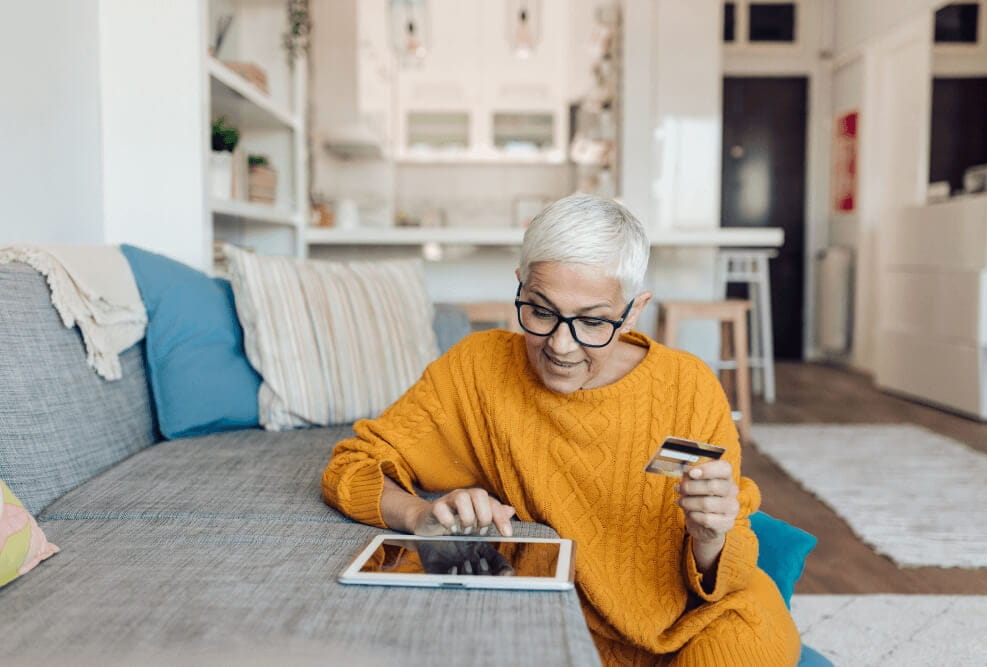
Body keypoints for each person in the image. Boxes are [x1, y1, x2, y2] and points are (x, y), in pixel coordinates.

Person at [322, 193, 800, 665]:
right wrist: (418, 517)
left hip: (703, 621)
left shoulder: (689, 385)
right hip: (559, 623)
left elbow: (731, 570)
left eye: (593, 321)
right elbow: (349, 468)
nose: (561, 345)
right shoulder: (476, 370)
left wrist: (710, 536)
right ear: (520, 285)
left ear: (634, 311)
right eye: (541, 311)